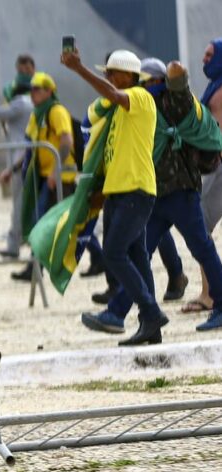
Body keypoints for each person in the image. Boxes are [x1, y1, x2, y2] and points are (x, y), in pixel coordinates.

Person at [82, 58, 222, 335]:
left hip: (181, 191)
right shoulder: (142, 105)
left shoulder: (174, 102)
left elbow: (179, 80)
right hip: (155, 193)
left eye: (148, 81)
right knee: (141, 254)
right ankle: (120, 313)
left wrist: (175, 70)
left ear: (159, 82)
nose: (144, 85)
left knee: (201, 247)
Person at [61, 48, 167, 345]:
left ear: (129, 76)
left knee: (113, 253)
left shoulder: (141, 98)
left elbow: (113, 93)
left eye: (111, 72)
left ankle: (150, 311)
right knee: (138, 258)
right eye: (105, 72)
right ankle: (151, 328)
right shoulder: (117, 111)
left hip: (136, 190)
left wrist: (80, 69)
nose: (107, 76)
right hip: (118, 193)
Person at [10, 72, 78, 282]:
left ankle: (36, 267)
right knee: (48, 221)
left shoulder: (56, 111)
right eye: (31, 89)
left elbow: (66, 142)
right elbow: (30, 148)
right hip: (42, 178)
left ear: (49, 91)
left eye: (37, 89)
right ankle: (35, 267)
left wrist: (55, 172)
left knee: (66, 222)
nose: (33, 93)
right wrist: (10, 170)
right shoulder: (36, 114)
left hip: (60, 178)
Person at [184, 38, 222, 314]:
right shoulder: (215, 87)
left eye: (210, 55)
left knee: (202, 228)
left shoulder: (219, 92)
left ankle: (209, 294)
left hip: (219, 168)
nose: (204, 60)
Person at [0, 56, 35, 259]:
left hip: (19, 161)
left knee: (19, 204)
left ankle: (15, 245)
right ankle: (24, 242)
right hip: (30, 158)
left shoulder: (21, 103)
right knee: (27, 203)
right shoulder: (33, 103)